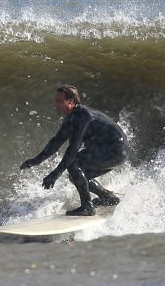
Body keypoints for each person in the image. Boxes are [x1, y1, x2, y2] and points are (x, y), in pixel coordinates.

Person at [20, 84, 127, 216]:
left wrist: (55, 174)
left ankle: (87, 207)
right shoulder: (71, 117)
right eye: (56, 100)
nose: (56, 104)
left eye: (60, 101)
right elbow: (56, 142)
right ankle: (107, 197)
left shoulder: (83, 116)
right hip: (113, 151)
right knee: (76, 175)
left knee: (74, 163)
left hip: (115, 150)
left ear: (71, 101)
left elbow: (73, 149)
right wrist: (35, 161)